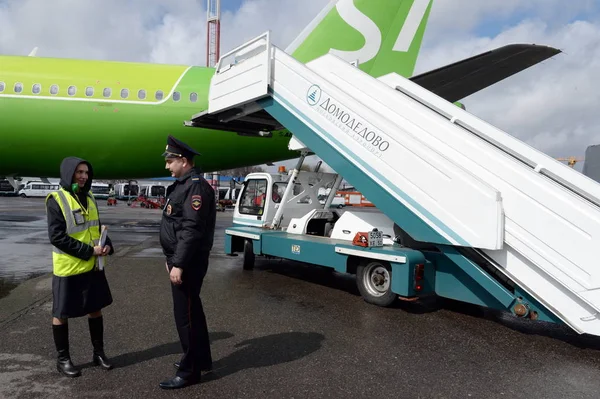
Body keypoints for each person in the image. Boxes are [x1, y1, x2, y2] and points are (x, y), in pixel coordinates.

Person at [45, 157, 115, 378]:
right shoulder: (56, 199)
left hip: (92, 266)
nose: (84, 176)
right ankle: (63, 359)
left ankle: (99, 353)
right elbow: (56, 237)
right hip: (68, 267)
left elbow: (95, 228)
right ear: (69, 174)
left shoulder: (90, 196)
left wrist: (107, 245)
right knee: (61, 313)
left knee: (95, 308)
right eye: (79, 172)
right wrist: (88, 251)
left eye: (86, 172)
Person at [158, 135, 217, 390]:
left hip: (189, 262)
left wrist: (179, 264)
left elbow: (191, 229)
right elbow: (177, 226)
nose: (167, 166)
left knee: (186, 317)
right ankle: (200, 359)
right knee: (194, 312)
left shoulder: (195, 188)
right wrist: (170, 259)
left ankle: (190, 371)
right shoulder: (184, 185)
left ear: (183, 161)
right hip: (181, 259)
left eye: (170, 161)